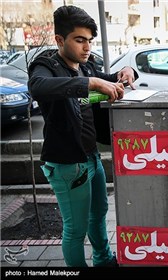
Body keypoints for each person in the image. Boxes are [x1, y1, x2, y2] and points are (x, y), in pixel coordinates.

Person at [28, 5, 138, 267]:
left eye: (89, 41)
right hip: (67, 163)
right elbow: (38, 86)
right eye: (79, 40)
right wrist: (91, 84)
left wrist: (126, 72)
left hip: (91, 157)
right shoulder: (46, 65)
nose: (87, 47)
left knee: (98, 215)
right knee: (75, 230)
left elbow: (110, 79)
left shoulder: (85, 68)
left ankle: (103, 260)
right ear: (59, 40)